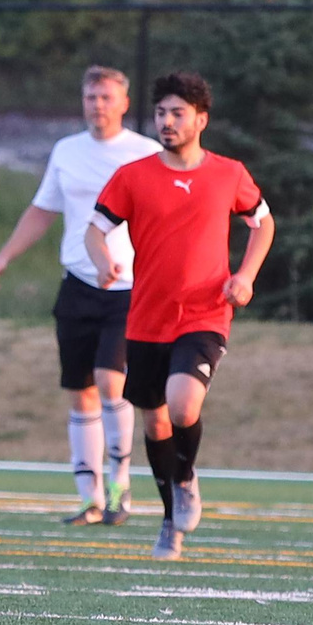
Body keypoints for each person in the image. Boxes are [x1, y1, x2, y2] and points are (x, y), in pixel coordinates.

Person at [87, 70, 273, 561]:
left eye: (178, 114)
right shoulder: (133, 176)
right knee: (154, 424)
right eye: (161, 113)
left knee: (183, 406)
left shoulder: (228, 174)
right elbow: (94, 230)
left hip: (205, 313)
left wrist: (246, 275)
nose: (167, 122)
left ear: (201, 120)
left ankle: (186, 477)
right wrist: (104, 260)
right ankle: (171, 523)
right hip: (147, 319)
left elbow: (263, 222)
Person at [0, 65, 161, 524]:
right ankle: (90, 498)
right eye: (90, 97)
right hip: (77, 285)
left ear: (123, 102)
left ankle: (121, 490)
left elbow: (169, 216)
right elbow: (43, 210)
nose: (97, 105)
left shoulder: (146, 153)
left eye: (105, 97)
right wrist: (4, 256)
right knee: (80, 393)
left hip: (127, 287)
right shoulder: (66, 151)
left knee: (110, 381)